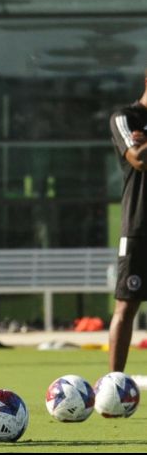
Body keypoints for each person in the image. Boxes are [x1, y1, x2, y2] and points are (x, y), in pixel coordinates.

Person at [108, 74, 147, 373]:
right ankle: (114, 383)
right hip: (139, 227)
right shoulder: (125, 117)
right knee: (126, 306)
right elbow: (138, 157)